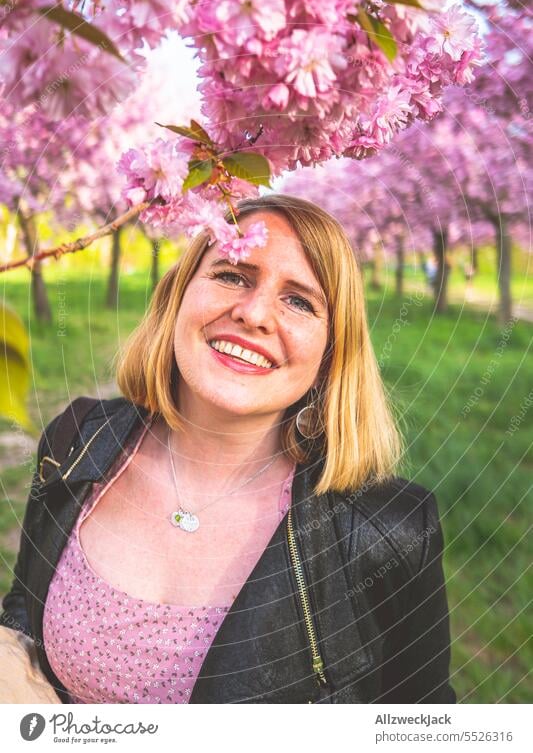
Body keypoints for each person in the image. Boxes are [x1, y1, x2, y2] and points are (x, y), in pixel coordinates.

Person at [0, 194, 455, 704]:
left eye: (299, 301)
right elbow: (25, 607)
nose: (255, 313)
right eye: (233, 275)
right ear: (179, 294)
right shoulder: (78, 440)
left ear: (332, 351)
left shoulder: (387, 534)